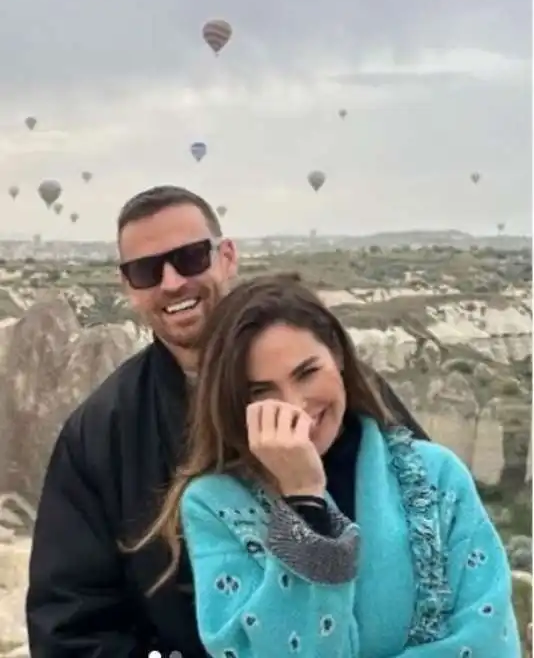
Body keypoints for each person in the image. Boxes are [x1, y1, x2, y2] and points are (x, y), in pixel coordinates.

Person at [26, 185, 429, 658]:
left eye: (191, 257)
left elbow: (434, 534)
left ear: (227, 257)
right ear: (128, 288)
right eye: (146, 270)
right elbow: (70, 626)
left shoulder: (335, 393)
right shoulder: (103, 431)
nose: (173, 282)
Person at [132, 275, 521, 658]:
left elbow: (488, 640)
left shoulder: (437, 476)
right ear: (234, 402)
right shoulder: (215, 505)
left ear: (337, 356)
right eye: (261, 391)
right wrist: (304, 505)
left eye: (307, 373)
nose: (295, 406)